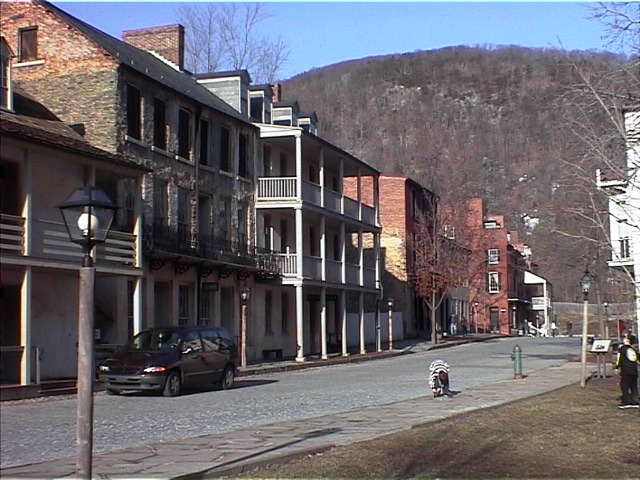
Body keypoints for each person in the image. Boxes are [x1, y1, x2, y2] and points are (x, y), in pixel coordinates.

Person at [614, 333, 639, 409]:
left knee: (624, 385)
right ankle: (635, 401)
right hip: (634, 370)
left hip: (626, 370)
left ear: (627, 340)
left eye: (625, 338)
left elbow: (619, 358)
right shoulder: (633, 349)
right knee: (633, 386)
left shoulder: (622, 349)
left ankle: (626, 401)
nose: (623, 339)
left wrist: (617, 367)